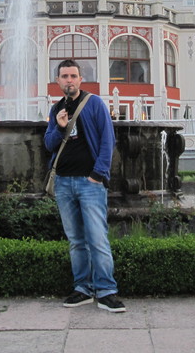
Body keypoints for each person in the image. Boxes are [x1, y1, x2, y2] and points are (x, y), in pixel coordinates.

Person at [44, 59, 126, 313]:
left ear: (80, 79)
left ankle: (107, 291)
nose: (69, 80)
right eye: (64, 76)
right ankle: (83, 288)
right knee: (76, 240)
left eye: (73, 76)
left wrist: (98, 175)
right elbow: (48, 144)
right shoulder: (56, 109)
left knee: (97, 238)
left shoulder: (94, 103)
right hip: (63, 182)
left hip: (89, 182)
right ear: (58, 81)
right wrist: (59, 128)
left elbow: (107, 140)